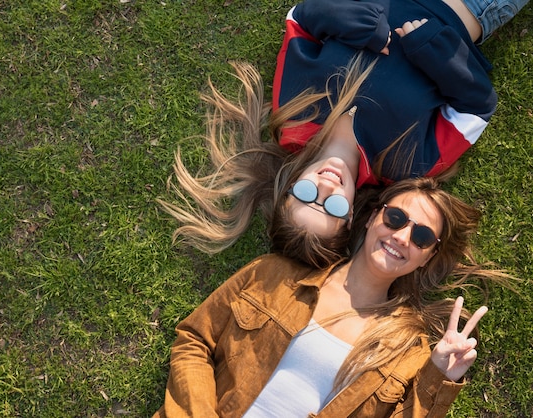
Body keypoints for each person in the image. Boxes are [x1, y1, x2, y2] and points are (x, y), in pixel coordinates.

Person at [158, 0, 529, 267]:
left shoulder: (293, 118)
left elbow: (300, 21)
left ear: (287, 187)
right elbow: (476, 109)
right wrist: (436, 51)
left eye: (305, 196)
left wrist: (353, 21)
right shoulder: (407, 165)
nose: (325, 188)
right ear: (353, 217)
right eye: (333, 207)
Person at [154, 177, 510, 417]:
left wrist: (438, 376)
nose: (402, 237)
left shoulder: (409, 351)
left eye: (421, 237)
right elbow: (195, 339)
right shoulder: (273, 274)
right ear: (373, 218)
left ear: (428, 257)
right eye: (396, 218)